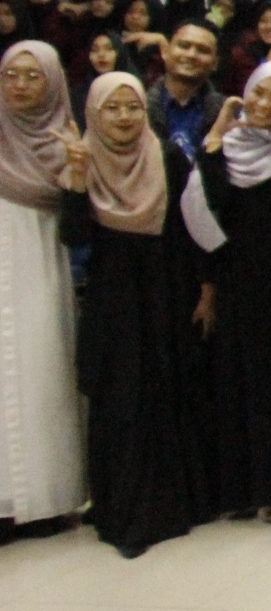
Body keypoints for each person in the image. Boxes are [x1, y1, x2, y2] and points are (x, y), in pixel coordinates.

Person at [61, 70, 212, 556]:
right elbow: (75, 238)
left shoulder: (166, 156)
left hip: (165, 293)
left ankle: (172, 506)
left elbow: (194, 229)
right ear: (94, 113)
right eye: (113, 108)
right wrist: (76, 182)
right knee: (118, 401)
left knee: (163, 393)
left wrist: (207, 290)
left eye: (132, 108)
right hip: (112, 304)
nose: (125, 117)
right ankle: (120, 509)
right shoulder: (83, 160)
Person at [190, 60, 271, 522]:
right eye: (257, 94)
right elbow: (210, 216)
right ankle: (258, 490)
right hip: (238, 285)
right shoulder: (223, 150)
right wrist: (213, 144)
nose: (265, 105)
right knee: (245, 386)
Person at [0, 42, 84, 537]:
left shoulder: (66, 141)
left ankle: (49, 500)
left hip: (42, 272)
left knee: (42, 375)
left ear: (52, 82)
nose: (20, 86)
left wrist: (76, 175)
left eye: (33, 77)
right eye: (11, 75)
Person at [145, 18, 222, 161]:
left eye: (203, 50)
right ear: (165, 51)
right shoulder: (138, 106)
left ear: (215, 63)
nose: (191, 55)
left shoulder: (226, 113)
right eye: (184, 46)